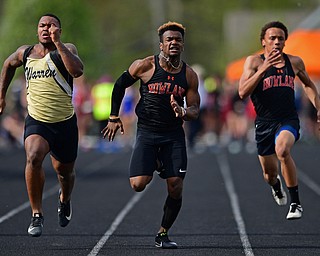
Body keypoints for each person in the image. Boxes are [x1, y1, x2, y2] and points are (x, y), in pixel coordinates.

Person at [101, 21, 200, 248]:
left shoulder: (189, 75)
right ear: (161, 45)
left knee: (175, 185)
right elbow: (119, 85)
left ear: (182, 45)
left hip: (173, 135)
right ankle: (155, 161)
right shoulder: (145, 66)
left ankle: (163, 233)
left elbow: (195, 109)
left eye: (177, 39)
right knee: (137, 184)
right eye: (169, 40)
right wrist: (114, 117)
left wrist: (183, 111)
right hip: (147, 132)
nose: (173, 42)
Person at [0, 14, 84, 237]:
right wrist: (1, 96)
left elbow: (77, 71)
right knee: (34, 156)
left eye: (52, 25)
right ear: (37, 30)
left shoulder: (66, 49)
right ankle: (36, 214)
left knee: (64, 172)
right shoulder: (26, 53)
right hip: (38, 120)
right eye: (42, 26)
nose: (47, 29)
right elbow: (8, 65)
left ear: (59, 29)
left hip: (64, 122)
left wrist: (58, 44)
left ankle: (64, 199)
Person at [238, 21, 320, 220]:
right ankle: (276, 186)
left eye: (280, 38)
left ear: (285, 42)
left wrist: (318, 107)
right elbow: (242, 92)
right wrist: (263, 70)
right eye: (272, 38)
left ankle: (295, 203)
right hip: (264, 123)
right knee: (269, 175)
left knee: (283, 150)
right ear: (263, 41)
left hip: (287, 119)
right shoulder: (254, 62)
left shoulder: (294, 62)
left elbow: (308, 85)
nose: (276, 42)